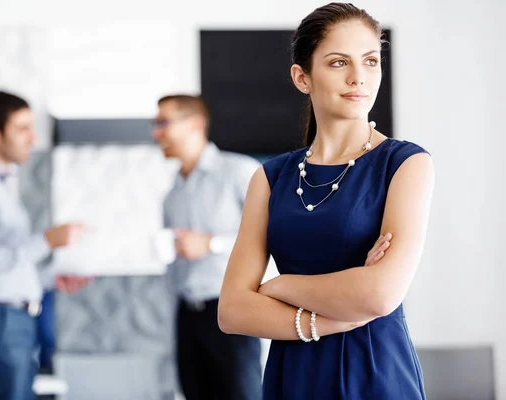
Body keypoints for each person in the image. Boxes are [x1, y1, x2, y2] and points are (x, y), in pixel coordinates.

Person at [218, 3, 435, 399]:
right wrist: (341, 317)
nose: (359, 77)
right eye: (339, 63)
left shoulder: (406, 163)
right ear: (302, 78)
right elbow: (232, 311)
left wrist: (278, 286)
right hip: (293, 376)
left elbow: (380, 295)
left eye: (371, 61)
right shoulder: (270, 178)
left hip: (375, 372)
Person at [0, 90, 92, 400]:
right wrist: (46, 241)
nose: (33, 139)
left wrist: (47, 280)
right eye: (23, 128)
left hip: (8, 323)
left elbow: (1, 267)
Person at [152, 94, 263, 400]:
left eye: (163, 122)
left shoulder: (239, 172)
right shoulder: (172, 194)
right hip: (188, 316)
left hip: (232, 311)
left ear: (196, 124)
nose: (156, 133)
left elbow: (271, 237)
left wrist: (211, 243)